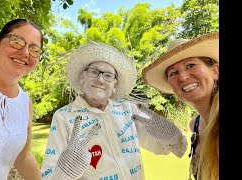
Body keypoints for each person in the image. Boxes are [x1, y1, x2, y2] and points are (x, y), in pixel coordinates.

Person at [40, 42, 188, 180]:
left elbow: (166, 148)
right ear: (81, 78)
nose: (100, 79)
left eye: (108, 75)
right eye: (94, 72)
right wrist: (64, 172)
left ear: (114, 86)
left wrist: (172, 138)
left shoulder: (128, 110)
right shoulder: (64, 117)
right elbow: (48, 174)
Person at [140, 32, 219, 180]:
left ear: (215, 71)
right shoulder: (194, 125)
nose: (182, 77)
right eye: (173, 73)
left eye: (191, 65)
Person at [0, 18, 43, 180]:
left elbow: (23, 157)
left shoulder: (25, 103)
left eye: (34, 49)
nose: (25, 52)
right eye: (17, 41)